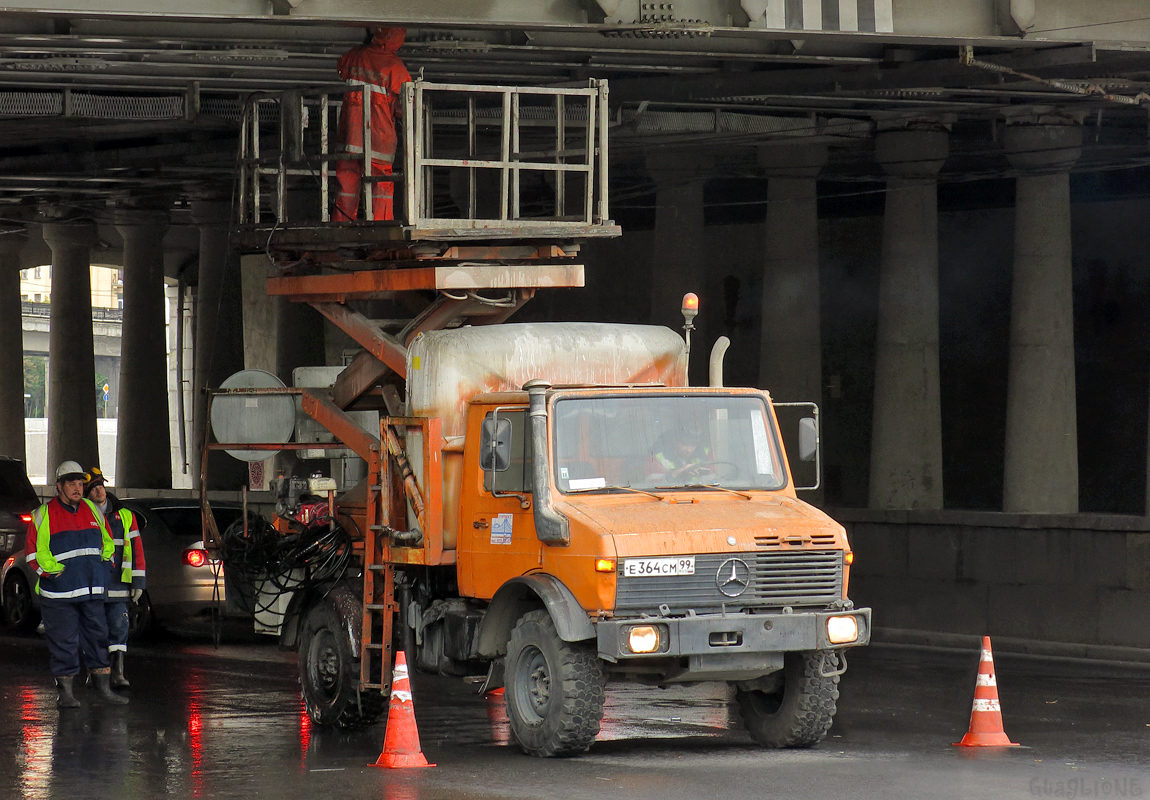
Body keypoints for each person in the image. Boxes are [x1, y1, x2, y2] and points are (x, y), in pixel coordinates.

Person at [25, 461, 128, 707]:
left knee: (97, 639)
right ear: (59, 486)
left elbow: (108, 544)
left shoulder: (92, 510)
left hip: (91, 591)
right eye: (71, 484)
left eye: (80, 484)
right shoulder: (43, 514)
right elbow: (33, 554)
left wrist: (104, 570)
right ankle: (66, 694)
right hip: (59, 596)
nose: (77, 488)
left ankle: (102, 689)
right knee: (64, 643)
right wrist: (54, 575)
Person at [334, 27, 411, 222]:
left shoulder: (355, 55)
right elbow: (404, 105)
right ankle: (381, 223)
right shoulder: (394, 65)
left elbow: (341, 69)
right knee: (381, 184)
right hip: (379, 137)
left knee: (347, 181)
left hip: (350, 135)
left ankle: (341, 223)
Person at [84, 466, 146, 690]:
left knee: (119, 628)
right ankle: (96, 672)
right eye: (93, 488)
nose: (99, 491)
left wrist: (138, 582)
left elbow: (136, 550)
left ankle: (118, 673)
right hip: (93, 586)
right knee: (95, 631)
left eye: (100, 485)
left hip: (118, 585)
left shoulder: (125, 515)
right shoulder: (82, 515)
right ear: (86, 494)